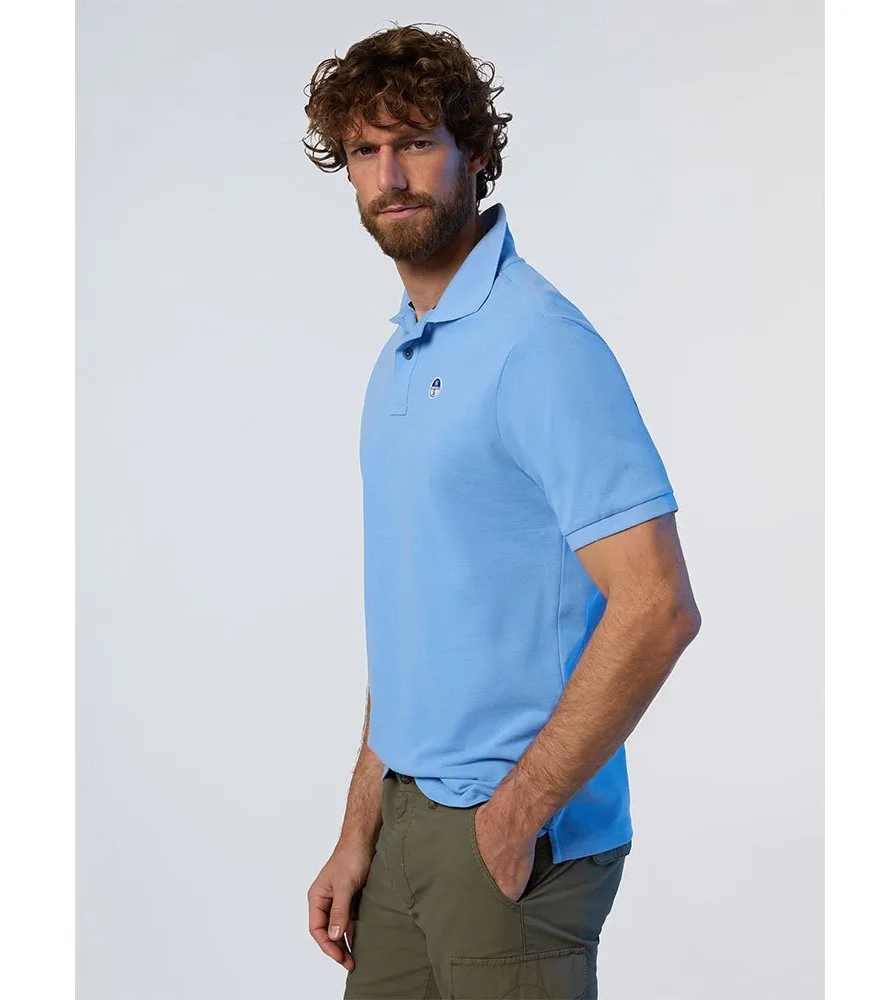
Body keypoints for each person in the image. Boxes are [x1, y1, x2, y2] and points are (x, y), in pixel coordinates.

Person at [302, 23, 701, 1000]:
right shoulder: (404, 353)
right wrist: (359, 828)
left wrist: (517, 814)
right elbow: (419, 619)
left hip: (512, 839)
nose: (391, 175)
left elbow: (656, 604)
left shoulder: (538, 346)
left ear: (475, 152)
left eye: (416, 142)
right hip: (401, 827)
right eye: (366, 151)